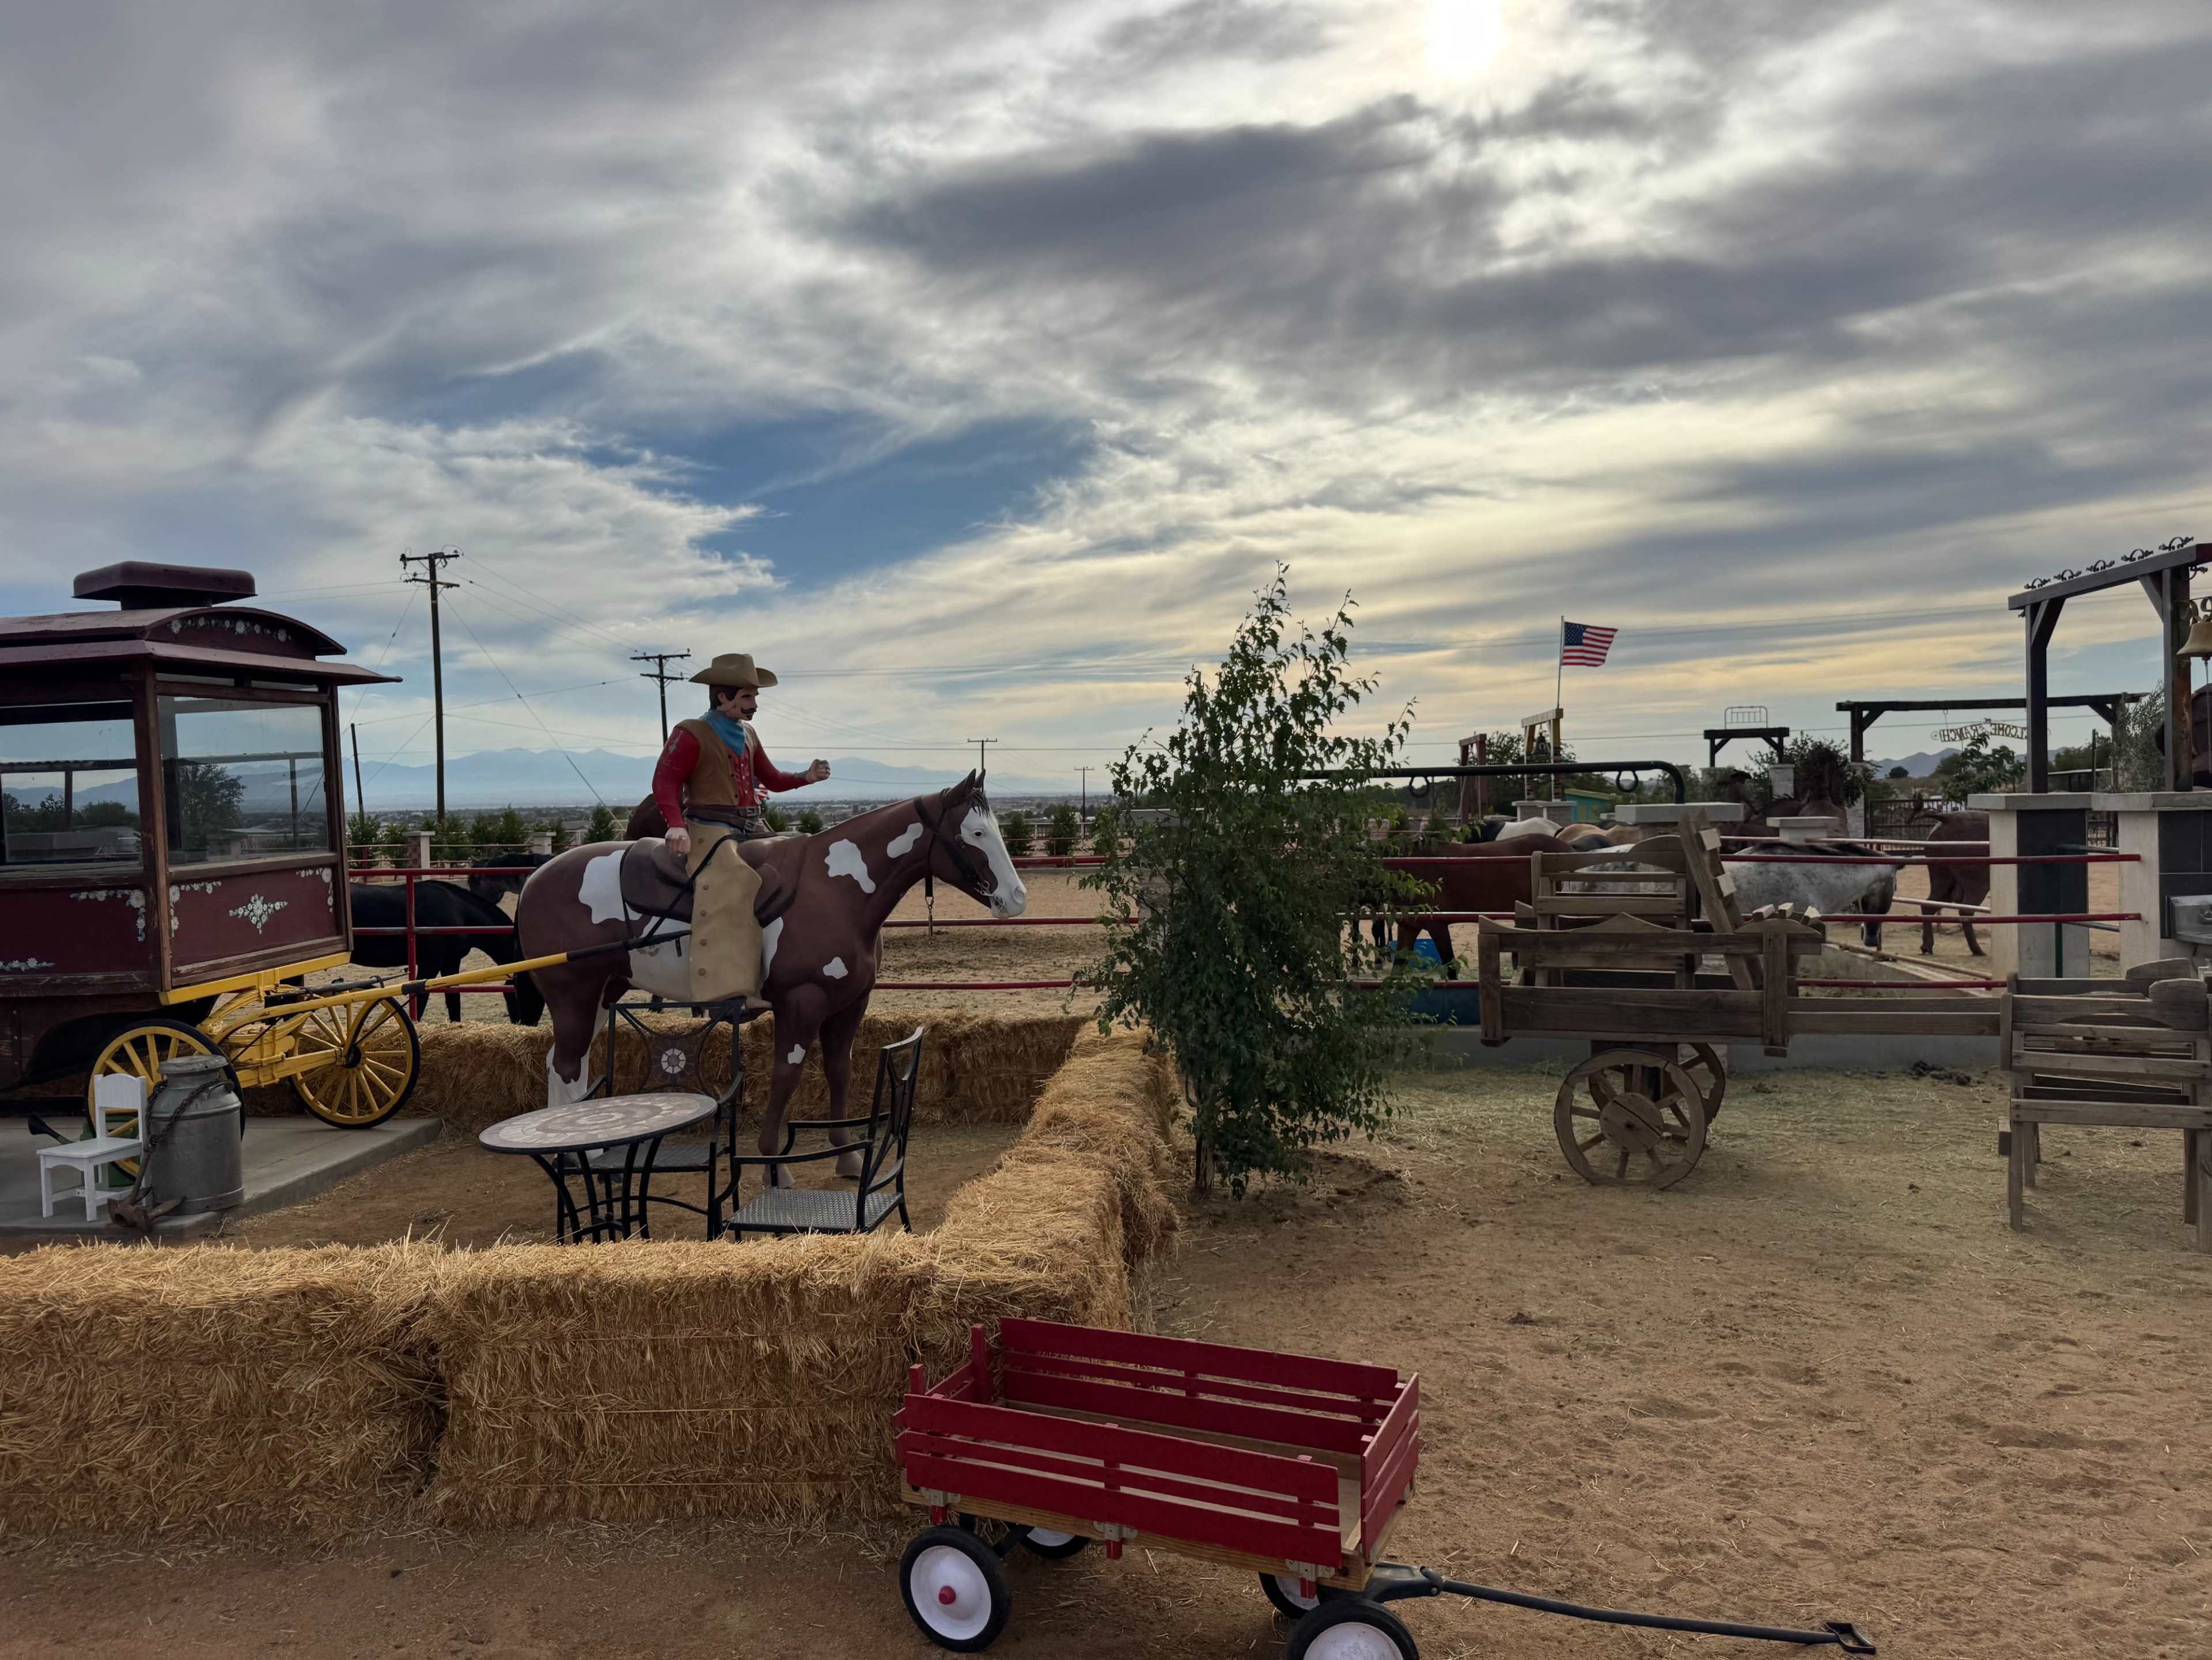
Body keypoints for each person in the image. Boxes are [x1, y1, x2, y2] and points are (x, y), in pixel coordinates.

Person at [649, 653, 829, 1003]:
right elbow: (665, 781)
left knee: (799, 860)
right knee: (732, 880)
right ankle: (726, 988)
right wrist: (676, 826)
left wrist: (804, 778)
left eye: (755, 697)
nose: (755, 704)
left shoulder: (748, 734)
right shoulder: (690, 734)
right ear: (724, 698)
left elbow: (772, 779)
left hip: (753, 824)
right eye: (748, 697)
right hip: (708, 828)